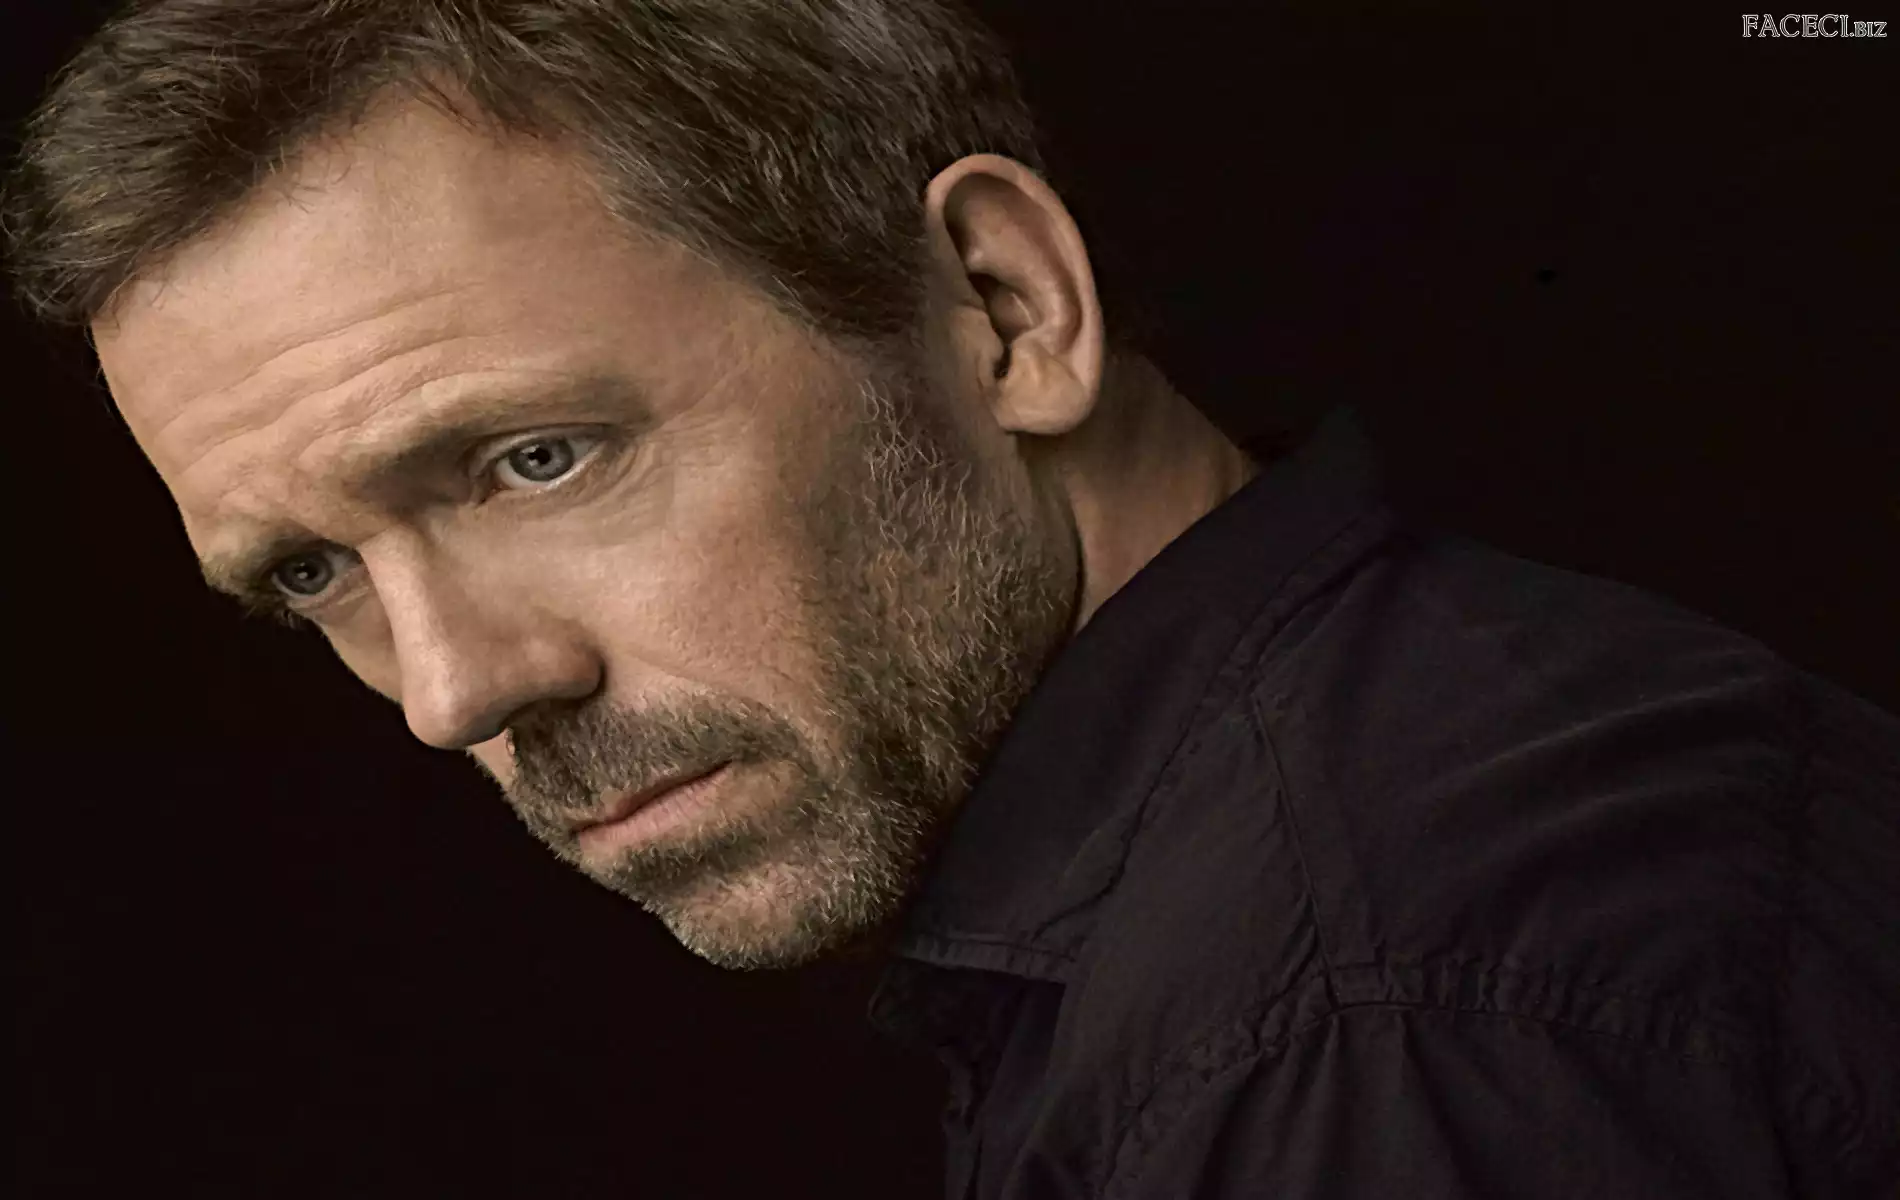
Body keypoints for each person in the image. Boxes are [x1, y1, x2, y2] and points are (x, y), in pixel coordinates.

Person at [5, 2, 1894, 1196]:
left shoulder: (1369, 1014)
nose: (453, 693)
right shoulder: (1320, 861)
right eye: (315, 573)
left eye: (537, 457)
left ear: (1005, 309)